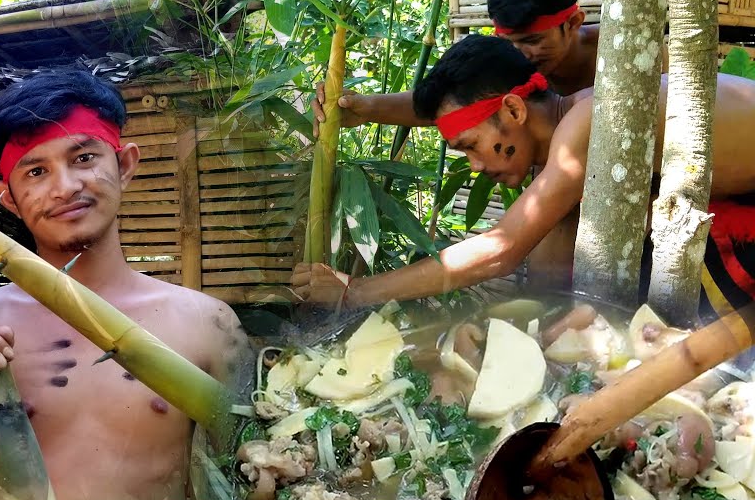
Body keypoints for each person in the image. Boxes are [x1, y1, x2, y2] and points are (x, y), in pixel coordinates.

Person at [0, 69, 250, 500]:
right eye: (35, 171)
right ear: (6, 198)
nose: (65, 186)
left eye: (84, 157)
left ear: (125, 164)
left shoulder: (207, 324)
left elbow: (245, 494)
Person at [292, 35, 755, 319]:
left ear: (513, 108)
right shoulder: (568, 120)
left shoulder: (586, 123)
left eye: (470, 147)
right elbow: (459, 115)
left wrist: (355, 293)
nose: (474, 165)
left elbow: (502, 251)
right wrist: (366, 109)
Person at [324, 0, 599, 129]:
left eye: (532, 40)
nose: (518, 54)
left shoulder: (617, 55)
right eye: (507, 42)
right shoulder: (508, 60)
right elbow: (451, 102)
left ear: (573, 22)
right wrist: (366, 108)